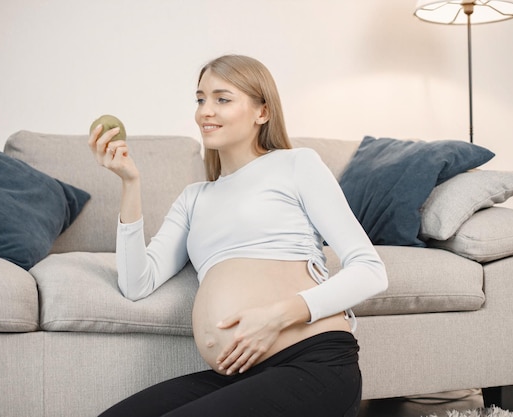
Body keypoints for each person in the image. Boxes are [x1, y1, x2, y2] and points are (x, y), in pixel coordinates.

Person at [89, 54, 388, 417]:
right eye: (200, 99)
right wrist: (129, 181)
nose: (205, 111)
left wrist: (277, 316)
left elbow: (370, 270)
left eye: (222, 99)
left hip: (311, 364)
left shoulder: (296, 164)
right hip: (240, 377)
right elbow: (136, 283)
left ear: (262, 112)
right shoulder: (194, 198)